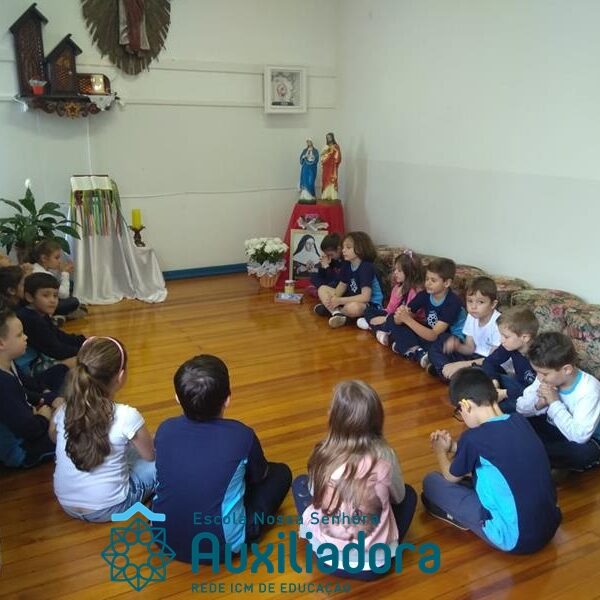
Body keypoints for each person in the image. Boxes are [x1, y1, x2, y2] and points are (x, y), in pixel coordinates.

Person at [153, 355, 292, 564]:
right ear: (228, 399)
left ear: (177, 398)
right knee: (281, 473)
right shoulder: (241, 435)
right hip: (221, 548)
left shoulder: (165, 429)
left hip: (162, 537)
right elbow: (260, 477)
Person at [422, 368, 561, 553]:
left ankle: (470, 520)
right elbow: (498, 452)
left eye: (459, 412)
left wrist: (440, 451)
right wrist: (455, 447)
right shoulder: (520, 421)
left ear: (465, 405)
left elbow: (450, 476)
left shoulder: (473, 437)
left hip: (516, 539)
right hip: (550, 526)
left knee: (431, 482)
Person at [292, 380, 416, 579]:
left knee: (300, 483)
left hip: (329, 561)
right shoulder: (386, 455)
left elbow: (316, 494)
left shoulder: (322, 455)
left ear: (334, 418)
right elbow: (399, 497)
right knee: (409, 495)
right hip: (376, 566)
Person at [51, 336, 156, 522]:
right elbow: (150, 457)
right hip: (110, 507)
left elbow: (53, 437)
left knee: (127, 447)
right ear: (121, 377)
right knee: (165, 461)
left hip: (66, 504)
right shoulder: (127, 416)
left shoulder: (63, 411)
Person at [516, 332, 600, 472]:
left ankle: (530, 453)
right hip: (554, 427)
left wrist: (554, 403)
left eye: (544, 373)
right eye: (536, 372)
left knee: (582, 453)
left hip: (585, 439)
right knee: (516, 417)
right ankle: (534, 453)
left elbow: (579, 436)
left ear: (566, 369)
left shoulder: (589, 389)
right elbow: (520, 408)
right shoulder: (545, 376)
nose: (539, 378)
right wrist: (539, 404)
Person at [0, 306, 65, 468]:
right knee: (80, 434)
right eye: (19, 335)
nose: (26, 337)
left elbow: (24, 389)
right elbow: (29, 430)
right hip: (22, 450)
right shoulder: (3, 384)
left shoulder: (8, 363)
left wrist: (48, 398)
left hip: (30, 425)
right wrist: (43, 417)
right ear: (1, 343)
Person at [384, 258, 466, 365]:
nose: (428, 283)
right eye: (427, 279)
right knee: (391, 318)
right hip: (430, 334)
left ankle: (406, 347)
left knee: (442, 339)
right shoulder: (425, 295)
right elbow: (400, 318)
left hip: (450, 341)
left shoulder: (453, 302)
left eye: (433, 280)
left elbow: (434, 335)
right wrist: (400, 316)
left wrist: (407, 320)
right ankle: (417, 351)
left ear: (447, 283)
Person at [427, 277, 501, 380]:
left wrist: (461, 365)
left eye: (480, 302)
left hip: (488, 362)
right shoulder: (472, 316)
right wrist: (457, 346)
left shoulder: (499, 324)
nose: (473, 307)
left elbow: (493, 360)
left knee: (484, 372)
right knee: (440, 341)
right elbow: (470, 348)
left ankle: (446, 372)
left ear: (493, 304)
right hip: (473, 357)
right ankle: (448, 372)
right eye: (470, 301)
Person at [16, 273, 86, 375]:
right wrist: (85, 351)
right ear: (29, 297)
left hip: (40, 357)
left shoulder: (39, 314)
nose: (52, 300)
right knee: (84, 363)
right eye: (46, 295)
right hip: (30, 367)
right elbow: (56, 350)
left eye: (55, 296)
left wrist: (85, 341)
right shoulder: (30, 319)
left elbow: (57, 335)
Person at [313, 231, 384, 328]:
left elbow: (365, 297)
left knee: (354, 308)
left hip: (370, 304)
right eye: (343, 247)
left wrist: (339, 301)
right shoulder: (347, 264)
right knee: (322, 289)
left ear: (360, 249)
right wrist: (333, 300)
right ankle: (336, 313)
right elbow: (342, 286)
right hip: (352, 297)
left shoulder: (366, 267)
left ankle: (335, 312)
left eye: (348, 247)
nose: (343, 250)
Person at [481, 307, 539, 413]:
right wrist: (494, 383)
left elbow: (536, 393)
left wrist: (504, 393)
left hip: (531, 398)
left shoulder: (541, 357)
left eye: (506, 337)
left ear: (525, 337)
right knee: (479, 372)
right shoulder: (511, 346)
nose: (501, 340)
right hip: (516, 386)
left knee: (492, 409)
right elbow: (489, 362)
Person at [356, 250, 424, 334]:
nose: (395, 273)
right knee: (368, 311)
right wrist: (384, 316)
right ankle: (378, 328)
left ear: (410, 272)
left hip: (403, 321)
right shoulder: (396, 287)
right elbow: (389, 309)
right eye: (395, 269)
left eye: (399, 271)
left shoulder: (414, 292)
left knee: (398, 326)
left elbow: (408, 316)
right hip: (390, 315)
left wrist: (386, 319)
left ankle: (376, 328)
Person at [31, 239, 84, 319]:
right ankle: (56, 317)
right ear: (44, 258)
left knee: (71, 284)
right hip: (41, 307)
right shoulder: (45, 275)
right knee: (74, 301)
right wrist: (65, 273)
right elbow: (64, 295)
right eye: (56, 258)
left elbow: (57, 286)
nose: (59, 261)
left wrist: (61, 271)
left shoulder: (35, 267)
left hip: (40, 303)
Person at [320, 132, 341, 201]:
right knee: (325, 179)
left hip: (332, 166)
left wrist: (333, 153)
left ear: (332, 138)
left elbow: (338, 156)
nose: (329, 139)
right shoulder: (326, 146)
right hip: (326, 166)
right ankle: (325, 195)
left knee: (331, 179)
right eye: (327, 138)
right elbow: (322, 155)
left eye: (330, 137)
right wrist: (325, 153)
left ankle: (332, 196)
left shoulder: (336, 146)